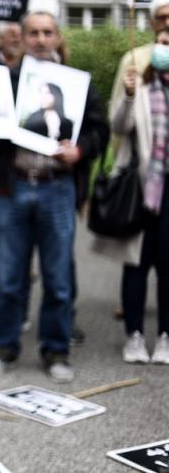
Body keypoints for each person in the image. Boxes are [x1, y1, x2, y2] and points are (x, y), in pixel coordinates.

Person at [0, 0, 109, 383]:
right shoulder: (6, 79)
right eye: (32, 32)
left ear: (57, 37)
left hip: (58, 190)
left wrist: (81, 149)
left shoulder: (77, 83)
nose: (39, 39)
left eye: (46, 32)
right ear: (22, 37)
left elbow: (100, 130)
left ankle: (56, 350)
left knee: (58, 278)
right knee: (8, 278)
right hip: (13, 188)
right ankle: (3, 347)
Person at [91, 28, 169, 365]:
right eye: (162, 42)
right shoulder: (139, 85)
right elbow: (118, 127)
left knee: (168, 268)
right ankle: (134, 335)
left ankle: (165, 335)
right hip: (140, 190)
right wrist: (126, 94)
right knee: (136, 265)